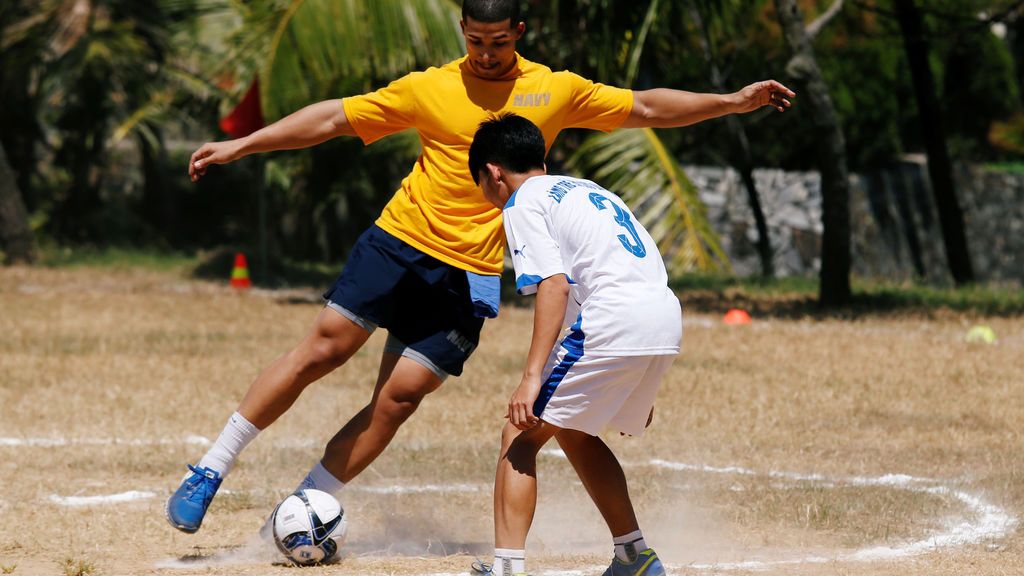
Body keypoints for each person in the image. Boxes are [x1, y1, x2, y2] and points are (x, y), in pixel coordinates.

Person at [166, 0, 794, 535]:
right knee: (323, 350)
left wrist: (732, 102)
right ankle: (211, 468)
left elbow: (647, 108)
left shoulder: (555, 89)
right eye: (475, 41)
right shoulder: (430, 87)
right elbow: (333, 118)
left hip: (469, 275)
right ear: (461, 31)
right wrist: (244, 145)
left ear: (519, 32)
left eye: (497, 43)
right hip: (398, 243)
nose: (486, 55)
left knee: (398, 399)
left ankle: (304, 503)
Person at [467, 113, 680, 576]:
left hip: (616, 317)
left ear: (494, 172)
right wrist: (640, 380)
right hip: (663, 314)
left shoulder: (522, 203)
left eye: (481, 184)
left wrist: (530, 378)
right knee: (574, 431)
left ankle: (505, 569)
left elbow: (555, 286)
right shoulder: (589, 189)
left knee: (519, 435)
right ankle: (634, 557)